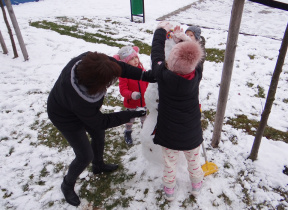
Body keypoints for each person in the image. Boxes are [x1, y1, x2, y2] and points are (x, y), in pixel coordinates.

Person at [47, 51, 147, 206]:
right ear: (95, 84)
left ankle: (98, 165)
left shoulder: (88, 60)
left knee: (99, 135)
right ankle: (67, 184)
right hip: (65, 118)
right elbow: (101, 121)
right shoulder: (78, 97)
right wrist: (131, 114)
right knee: (84, 155)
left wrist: (146, 76)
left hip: (83, 110)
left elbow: (120, 67)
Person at [145, 22, 206, 201]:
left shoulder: (162, 74)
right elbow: (196, 54)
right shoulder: (197, 74)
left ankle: (169, 191)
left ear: (169, 62)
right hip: (192, 133)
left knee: (170, 164)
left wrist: (160, 31)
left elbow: (156, 53)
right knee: (194, 162)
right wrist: (185, 40)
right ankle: (196, 186)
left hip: (169, 134)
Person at [113, 46, 149, 144]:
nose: (135, 60)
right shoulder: (124, 75)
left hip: (143, 101)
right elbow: (123, 90)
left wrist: (149, 92)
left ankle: (145, 132)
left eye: (135, 57)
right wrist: (131, 94)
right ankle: (128, 132)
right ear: (125, 63)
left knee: (144, 117)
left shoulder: (142, 71)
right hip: (131, 103)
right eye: (131, 59)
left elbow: (147, 83)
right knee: (130, 119)